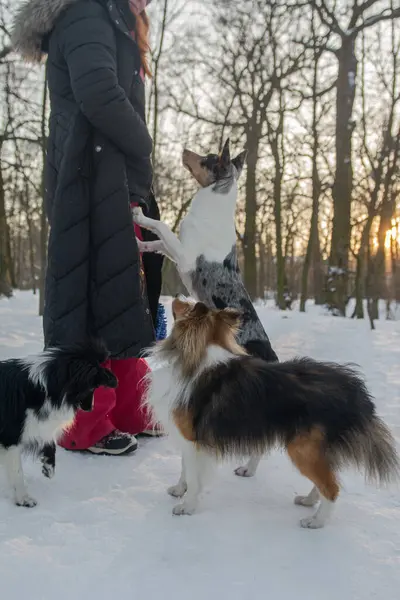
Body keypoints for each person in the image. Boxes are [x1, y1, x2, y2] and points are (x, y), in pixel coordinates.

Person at [12, 0, 163, 455]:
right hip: (87, 179)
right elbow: (98, 92)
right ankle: (85, 420)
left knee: (122, 295)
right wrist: (144, 144)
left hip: (110, 180)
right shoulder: (85, 14)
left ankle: (130, 409)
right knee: (88, 302)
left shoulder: (111, 16)